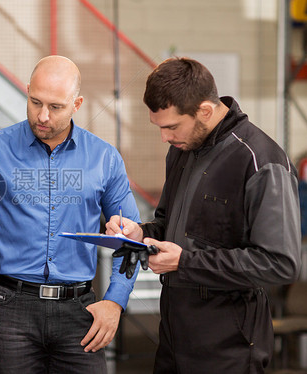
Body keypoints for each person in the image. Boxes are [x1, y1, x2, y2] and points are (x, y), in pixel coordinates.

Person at [0, 55, 140, 373]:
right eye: (35, 102)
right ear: (28, 91)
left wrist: (115, 301)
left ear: (77, 104)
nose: (42, 116)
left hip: (79, 314)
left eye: (55, 107)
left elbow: (132, 238)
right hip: (12, 312)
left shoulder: (104, 158)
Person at [106, 57, 302, 373]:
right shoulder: (182, 150)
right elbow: (170, 225)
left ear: (205, 111)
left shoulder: (260, 161)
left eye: (171, 127)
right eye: (159, 127)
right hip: (173, 341)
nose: (165, 138)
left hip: (230, 350)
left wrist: (185, 263)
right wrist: (141, 234)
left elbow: (281, 264)